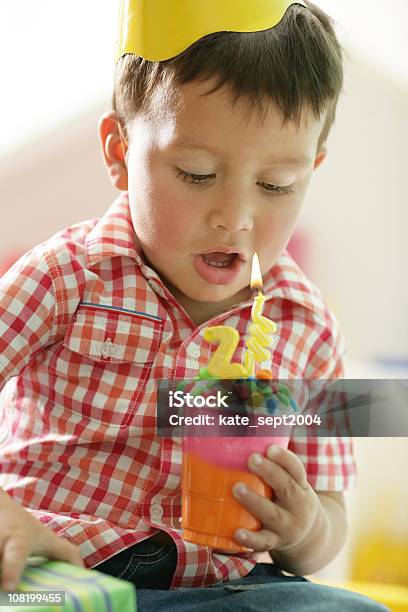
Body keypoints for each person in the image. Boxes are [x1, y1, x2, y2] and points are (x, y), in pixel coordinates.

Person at [0, 0, 388, 610]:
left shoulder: (308, 328)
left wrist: (306, 528)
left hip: (224, 585)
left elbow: (331, 514)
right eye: (197, 173)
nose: (233, 218)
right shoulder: (65, 277)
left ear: (312, 170)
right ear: (119, 151)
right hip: (59, 567)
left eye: (275, 186)